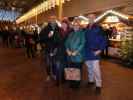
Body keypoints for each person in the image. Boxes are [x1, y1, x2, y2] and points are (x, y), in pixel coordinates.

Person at [85, 14, 107, 92]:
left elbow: (104, 40)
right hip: (87, 52)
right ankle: (91, 80)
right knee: (89, 68)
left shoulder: (99, 28)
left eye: (92, 17)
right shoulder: (86, 28)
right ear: (87, 19)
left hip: (95, 51)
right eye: (89, 17)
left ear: (95, 18)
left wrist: (100, 50)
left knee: (96, 69)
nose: (90, 19)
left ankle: (98, 85)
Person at [39, 16, 62, 84]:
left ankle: (54, 74)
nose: (53, 20)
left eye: (54, 19)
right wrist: (47, 36)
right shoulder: (46, 28)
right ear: (49, 20)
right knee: (48, 63)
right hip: (48, 49)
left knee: (54, 63)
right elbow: (40, 38)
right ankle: (48, 75)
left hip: (56, 49)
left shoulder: (58, 28)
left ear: (56, 20)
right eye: (51, 19)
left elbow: (61, 38)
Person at [65, 18, 85, 88]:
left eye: (77, 25)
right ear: (73, 26)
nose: (75, 26)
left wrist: (76, 52)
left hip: (78, 55)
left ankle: (76, 84)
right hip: (70, 55)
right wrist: (67, 50)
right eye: (74, 25)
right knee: (71, 69)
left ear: (79, 26)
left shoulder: (82, 33)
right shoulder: (71, 33)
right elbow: (66, 43)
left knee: (77, 69)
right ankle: (72, 83)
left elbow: (82, 43)